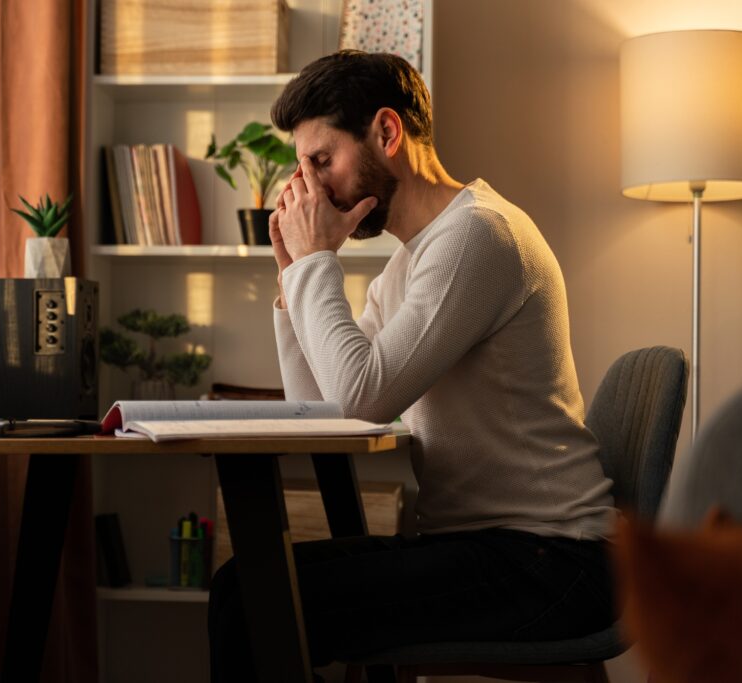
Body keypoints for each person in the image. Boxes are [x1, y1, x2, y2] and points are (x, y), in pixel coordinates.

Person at [208, 50, 615, 681]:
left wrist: (318, 259)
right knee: (246, 585)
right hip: (492, 547)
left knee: (262, 607)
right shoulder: (411, 264)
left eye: (322, 161)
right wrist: (293, 275)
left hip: (551, 562)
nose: (311, 188)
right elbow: (325, 412)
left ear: (387, 133)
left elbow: (363, 396)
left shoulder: (478, 236)